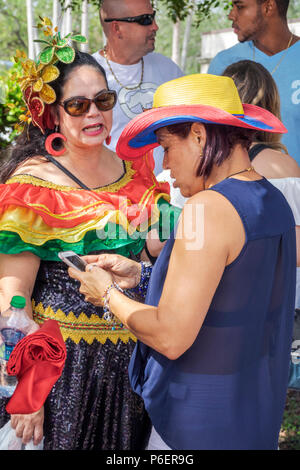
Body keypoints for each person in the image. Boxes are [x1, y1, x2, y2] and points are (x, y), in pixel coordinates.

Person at [68, 74, 297, 450]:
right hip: (253, 419)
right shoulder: (271, 199)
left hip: (197, 425)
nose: (166, 165)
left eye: (167, 148)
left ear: (199, 136)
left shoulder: (207, 208)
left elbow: (171, 336)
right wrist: (144, 275)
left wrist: (106, 293)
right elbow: (232, 290)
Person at [0, 25, 176, 450]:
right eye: (78, 105)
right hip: (60, 374)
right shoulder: (33, 186)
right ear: (53, 114)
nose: (94, 113)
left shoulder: (137, 171)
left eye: (103, 100)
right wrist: (25, 388)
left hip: (132, 366)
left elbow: (164, 246)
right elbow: (11, 302)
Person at [222, 59, 300, 308]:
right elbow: (296, 251)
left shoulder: (200, 163)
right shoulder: (283, 167)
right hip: (275, 304)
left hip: (221, 302)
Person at [92, 0, 183, 175]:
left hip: (166, 192)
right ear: (117, 28)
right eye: (145, 19)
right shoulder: (87, 75)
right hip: (111, 193)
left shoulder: (168, 70)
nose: (155, 26)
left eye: (153, 16)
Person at [208, 0, 300, 166]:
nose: (231, 15)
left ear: (268, 7)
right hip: (239, 187)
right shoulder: (224, 64)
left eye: (240, 6)